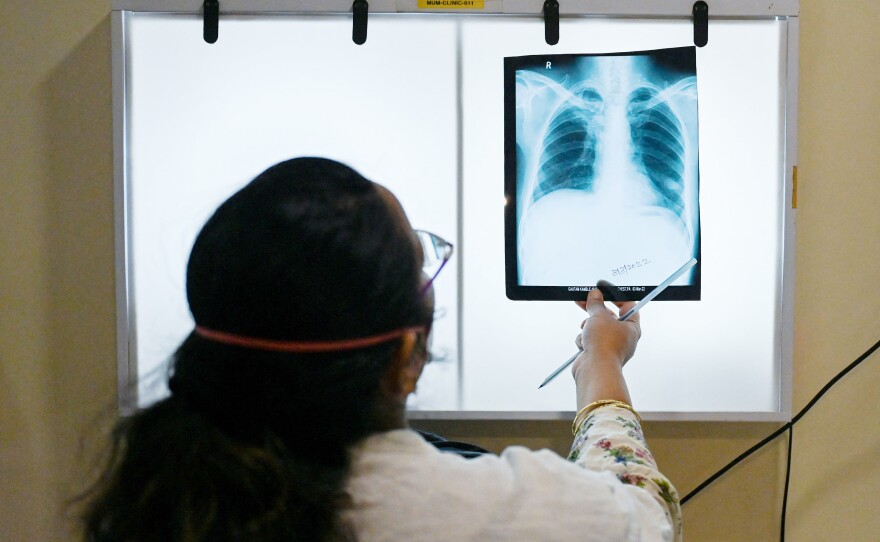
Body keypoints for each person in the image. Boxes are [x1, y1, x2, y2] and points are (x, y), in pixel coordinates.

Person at [80, 157, 682, 541]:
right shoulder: (480, 512)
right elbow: (644, 519)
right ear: (403, 360)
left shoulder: (153, 499)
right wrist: (601, 363)